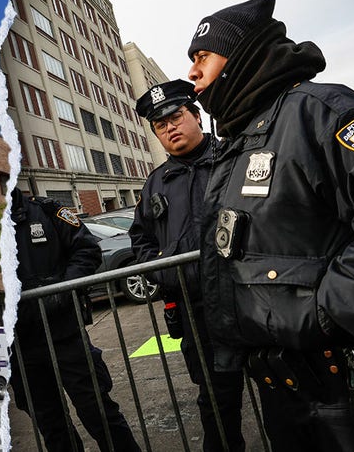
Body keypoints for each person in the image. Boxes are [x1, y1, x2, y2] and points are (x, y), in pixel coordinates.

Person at [185, 0, 354, 451]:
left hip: (353, 381)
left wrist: (324, 313)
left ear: (242, 54)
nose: (192, 72)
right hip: (287, 388)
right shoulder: (240, 142)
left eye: (203, 56)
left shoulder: (321, 110)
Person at [129, 79, 245, 452]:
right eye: (160, 126)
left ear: (196, 116)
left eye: (176, 117)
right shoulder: (155, 184)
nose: (170, 128)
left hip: (253, 298)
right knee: (215, 400)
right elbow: (141, 240)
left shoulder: (236, 159)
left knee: (285, 393)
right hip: (198, 312)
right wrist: (164, 270)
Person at [9, 187, 141, 452]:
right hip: (20, 347)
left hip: (64, 334)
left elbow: (87, 250)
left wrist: (63, 290)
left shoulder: (48, 211)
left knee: (98, 412)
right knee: (51, 425)